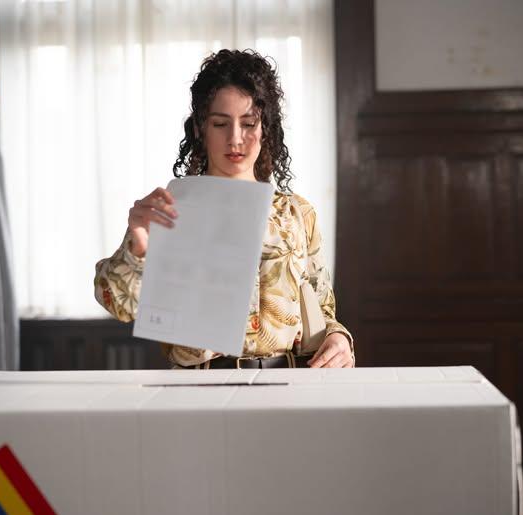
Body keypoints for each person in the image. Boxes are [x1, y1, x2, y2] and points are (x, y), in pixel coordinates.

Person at [94, 49, 354, 369]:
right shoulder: (170, 210)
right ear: (200, 128)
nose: (235, 139)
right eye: (220, 124)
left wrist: (339, 338)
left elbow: (322, 307)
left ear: (266, 128)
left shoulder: (297, 214)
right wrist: (136, 248)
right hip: (199, 387)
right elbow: (118, 304)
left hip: (287, 383)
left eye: (249, 123)